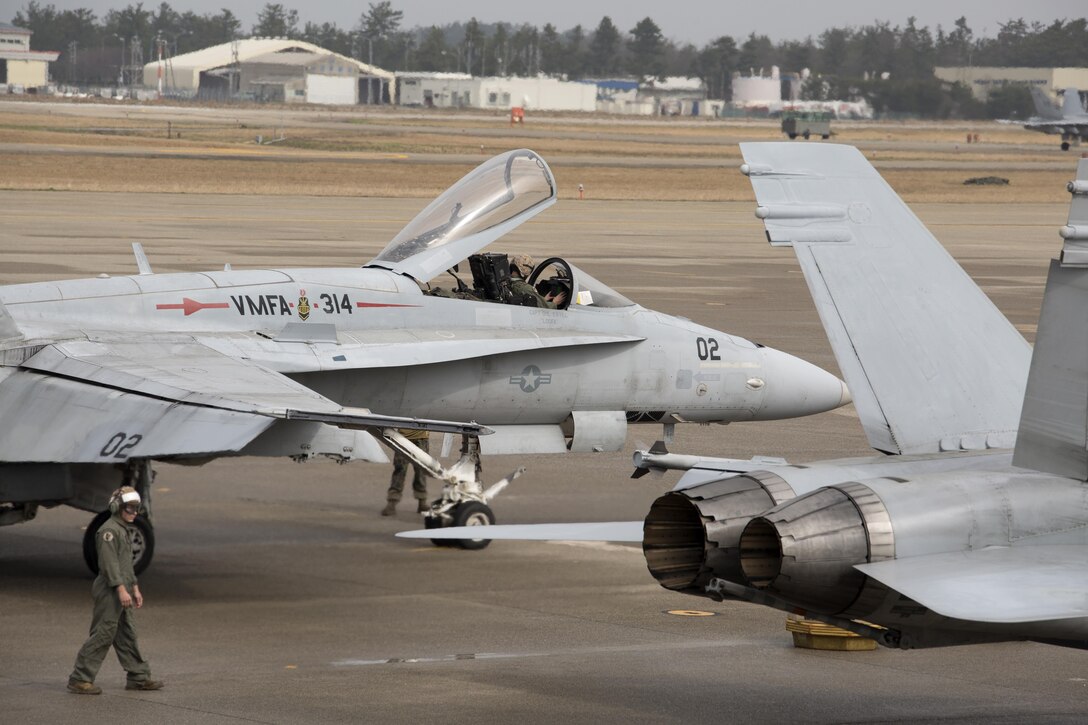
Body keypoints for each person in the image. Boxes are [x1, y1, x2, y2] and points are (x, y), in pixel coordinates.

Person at [68, 486, 163, 695]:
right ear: (117, 507)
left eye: (136, 509)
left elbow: (126, 564)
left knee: (127, 633)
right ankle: (80, 678)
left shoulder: (123, 529)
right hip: (110, 590)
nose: (134, 513)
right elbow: (109, 566)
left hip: (124, 588)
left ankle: (138, 677)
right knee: (103, 633)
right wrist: (121, 590)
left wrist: (135, 588)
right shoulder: (109, 532)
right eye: (130, 508)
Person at [382, 428, 431, 516]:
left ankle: (422, 501)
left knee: (421, 471)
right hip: (403, 439)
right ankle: (392, 502)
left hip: (421, 439)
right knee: (400, 470)